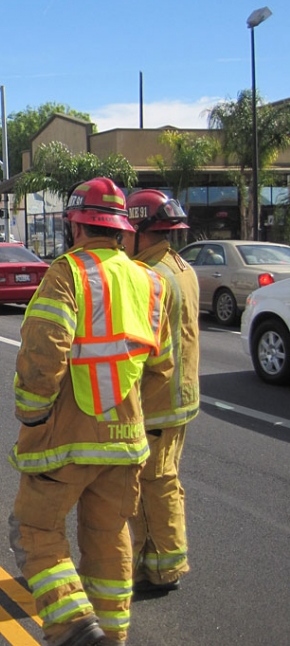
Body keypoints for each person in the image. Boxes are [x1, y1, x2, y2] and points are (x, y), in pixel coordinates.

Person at [7, 177, 173, 646]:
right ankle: (112, 635)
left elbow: (45, 348)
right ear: (121, 229)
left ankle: (70, 622)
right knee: (109, 533)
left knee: (34, 528)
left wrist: (33, 412)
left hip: (69, 434)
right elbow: (159, 365)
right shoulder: (151, 280)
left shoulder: (69, 272)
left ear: (76, 225)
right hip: (127, 436)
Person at [122, 190, 200, 595]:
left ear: (140, 230)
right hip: (181, 395)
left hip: (157, 399)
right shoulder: (181, 267)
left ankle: (161, 567)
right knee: (163, 477)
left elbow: (143, 347)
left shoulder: (149, 276)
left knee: (153, 481)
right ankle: (157, 560)